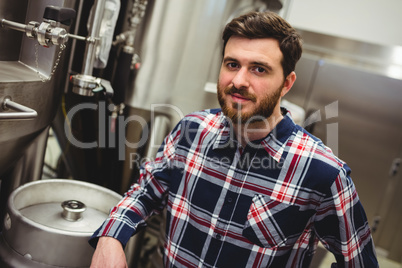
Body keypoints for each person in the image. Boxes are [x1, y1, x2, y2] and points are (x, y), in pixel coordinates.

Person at [89, 11, 378, 267]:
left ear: (286, 83)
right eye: (232, 64)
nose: (239, 80)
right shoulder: (191, 131)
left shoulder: (323, 173)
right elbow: (146, 190)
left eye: (259, 68)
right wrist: (111, 237)